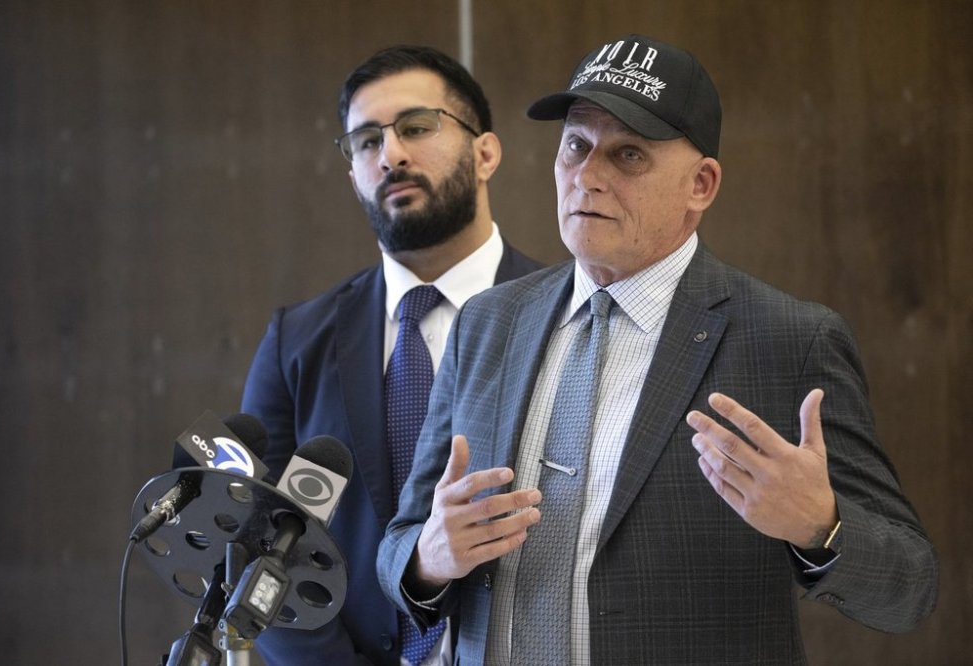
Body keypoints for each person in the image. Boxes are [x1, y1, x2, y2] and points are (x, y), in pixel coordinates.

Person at [377, 33, 938, 665]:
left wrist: (821, 527)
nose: (588, 176)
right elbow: (402, 540)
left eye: (629, 156)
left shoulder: (789, 340)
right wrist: (429, 557)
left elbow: (909, 590)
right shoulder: (488, 323)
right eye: (575, 147)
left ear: (701, 184)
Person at [240, 45, 542, 665]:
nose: (391, 155)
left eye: (416, 127)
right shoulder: (297, 340)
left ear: (485, 152)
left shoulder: (565, 316)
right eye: (366, 142)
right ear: (352, 172)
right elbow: (254, 547)